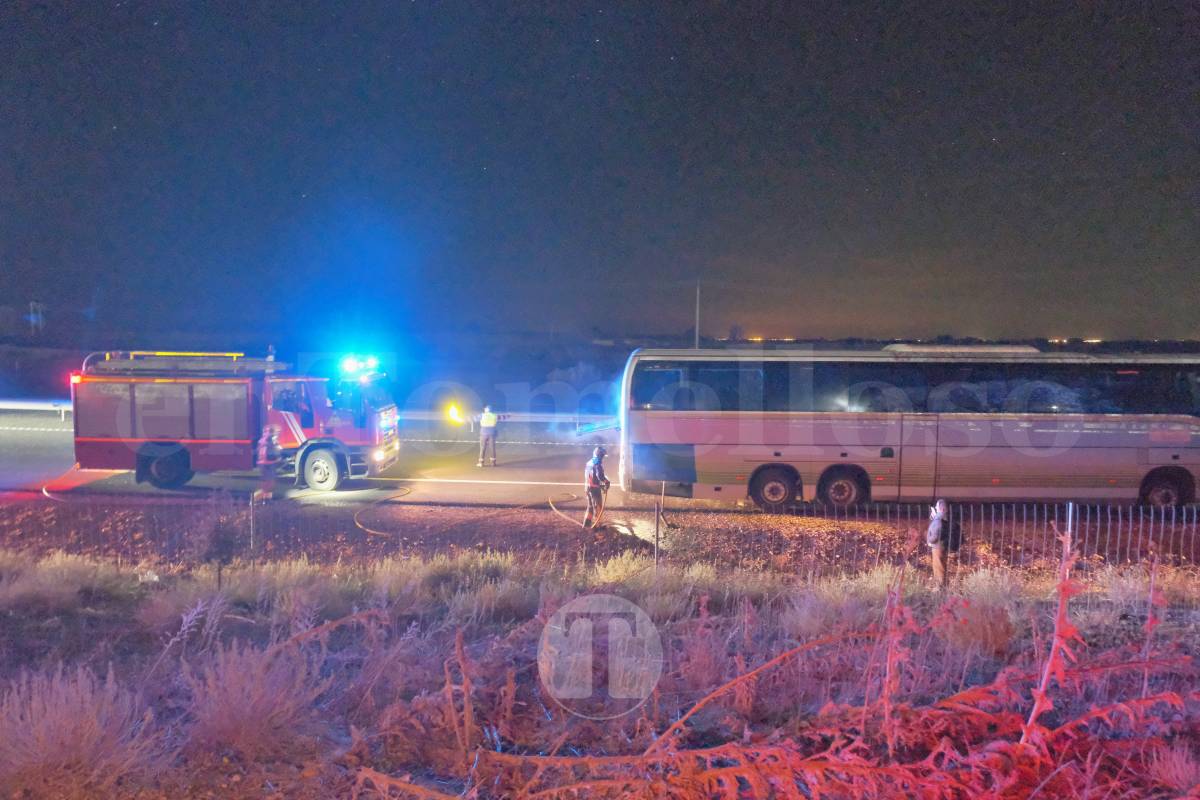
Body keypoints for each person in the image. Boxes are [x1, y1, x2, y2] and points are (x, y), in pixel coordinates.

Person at [926, 499, 961, 588]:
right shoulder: (946, 518)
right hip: (943, 545)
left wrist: (930, 541)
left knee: (938, 567)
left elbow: (935, 535)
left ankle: (940, 588)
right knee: (941, 565)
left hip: (937, 546)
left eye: (937, 508)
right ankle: (942, 585)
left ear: (940, 509)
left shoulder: (938, 519)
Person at [583, 446, 611, 529]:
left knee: (590, 506)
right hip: (594, 489)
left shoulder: (590, 462)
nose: (603, 458)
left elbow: (592, 476)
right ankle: (598, 526)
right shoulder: (597, 463)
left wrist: (600, 484)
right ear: (600, 455)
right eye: (602, 456)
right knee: (598, 507)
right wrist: (606, 482)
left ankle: (586, 524)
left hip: (588, 487)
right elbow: (600, 476)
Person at [255, 425, 282, 502]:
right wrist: (277, 457)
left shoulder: (262, 440)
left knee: (268, 484)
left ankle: (266, 500)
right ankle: (255, 500)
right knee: (268, 485)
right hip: (268, 464)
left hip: (264, 464)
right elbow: (272, 453)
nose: (277, 433)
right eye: (276, 432)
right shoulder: (270, 440)